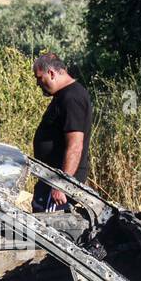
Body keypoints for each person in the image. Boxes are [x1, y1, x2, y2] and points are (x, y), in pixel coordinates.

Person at [30, 53, 92, 211]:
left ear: (51, 73)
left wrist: (62, 184)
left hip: (59, 186)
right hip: (51, 180)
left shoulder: (72, 97)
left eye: (39, 78)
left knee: (47, 225)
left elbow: (75, 145)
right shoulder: (62, 96)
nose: (38, 83)